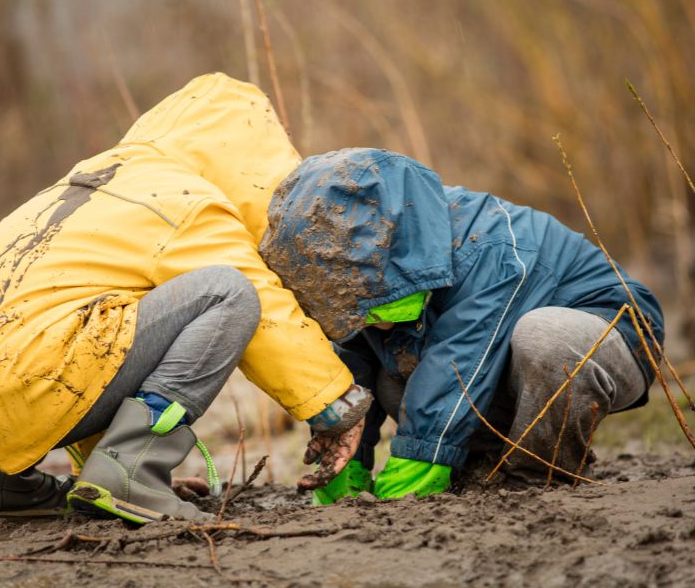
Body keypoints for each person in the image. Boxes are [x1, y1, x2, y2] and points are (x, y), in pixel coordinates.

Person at [0, 74, 371, 524]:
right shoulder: (183, 201)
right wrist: (333, 405)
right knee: (230, 291)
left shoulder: (91, 182)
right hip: (38, 376)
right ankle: (133, 468)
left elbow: (94, 348)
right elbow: (266, 307)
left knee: (73, 324)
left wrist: (89, 471)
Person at [259, 148, 664, 502]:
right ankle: (480, 465)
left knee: (544, 338)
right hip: (500, 362)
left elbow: (460, 358)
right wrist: (345, 460)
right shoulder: (357, 262)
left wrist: (415, 466)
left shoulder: (491, 244)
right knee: (392, 378)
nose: (365, 319)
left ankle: (537, 475)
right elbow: (350, 370)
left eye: (371, 308)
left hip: (605, 335)